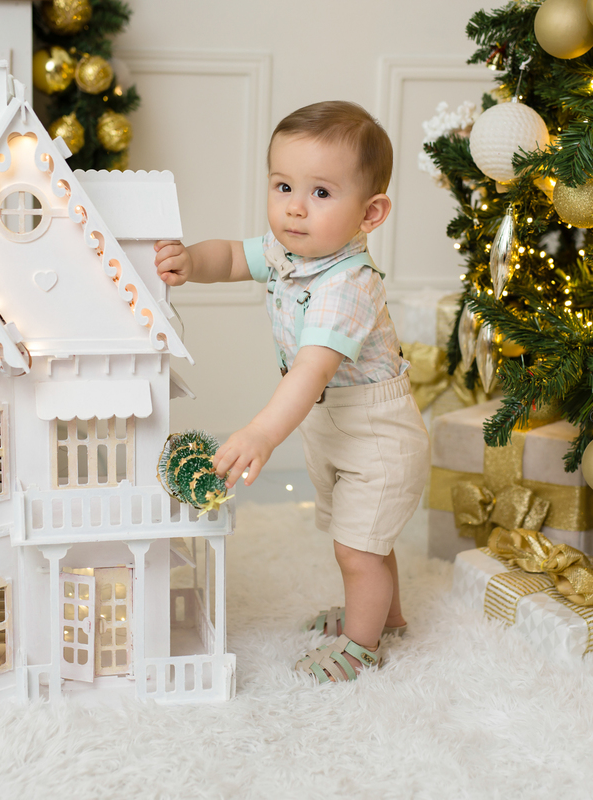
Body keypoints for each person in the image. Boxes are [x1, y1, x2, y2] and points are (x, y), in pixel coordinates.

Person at [153, 101, 430, 683]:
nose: (295, 208)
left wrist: (259, 432)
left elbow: (308, 372)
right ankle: (386, 615)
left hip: (376, 435)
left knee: (357, 549)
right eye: (283, 186)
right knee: (365, 537)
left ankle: (361, 644)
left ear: (370, 212)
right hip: (337, 428)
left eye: (322, 193)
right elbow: (232, 256)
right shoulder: (289, 252)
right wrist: (190, 262)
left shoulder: (347, 286)